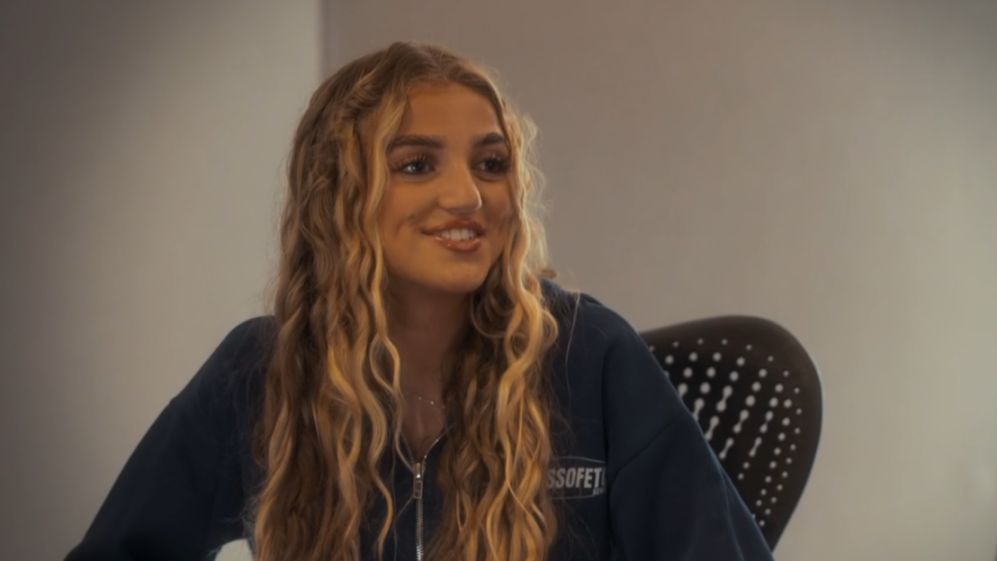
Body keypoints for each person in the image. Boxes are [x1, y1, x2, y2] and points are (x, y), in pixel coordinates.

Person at [64, 41, 774, 561]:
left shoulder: (590, 353)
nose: (467, 195)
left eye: (490, 164)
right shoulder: (261, 370)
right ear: (339, 196)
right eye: (416, 164)